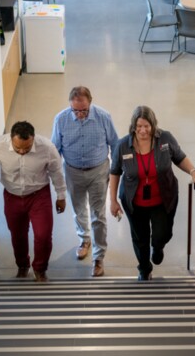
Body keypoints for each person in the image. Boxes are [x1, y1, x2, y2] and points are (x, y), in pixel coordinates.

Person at [109, 105, 195, 281]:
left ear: (153, 125)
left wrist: (192, 171)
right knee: (140, 238)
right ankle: (144, 270)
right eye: (139, 127)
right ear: (133, 126)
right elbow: (114, 172)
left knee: (163, 234)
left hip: (162, 199)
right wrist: (112, 201)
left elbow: (180, 157)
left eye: (147, 126)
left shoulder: (165, 139)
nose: (143, 130)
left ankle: (158, 247)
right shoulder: (123, 146)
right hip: (134, 202)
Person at [0, 121, 66, 282]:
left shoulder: (46, 147)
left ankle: (40, 269)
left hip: (39, 195)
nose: (22, 151)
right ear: (11, 138)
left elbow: (57, 172)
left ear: (33, 139)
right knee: (17, 235)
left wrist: (61, 196)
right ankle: (22, 266)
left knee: (43, 235)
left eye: (27, 147)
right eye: (18, 148)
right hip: (12, 196)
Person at [51, 86, 118, 277]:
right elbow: (55, 150)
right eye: (76, 110)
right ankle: (84, 240)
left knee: (98, 214)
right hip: (72, 172)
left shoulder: (104, 117)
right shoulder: (61, 119)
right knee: (79, 210)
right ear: (70, 106)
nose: (80, 114)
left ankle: (98, 257)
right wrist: (58, 185)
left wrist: (114, 174)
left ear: (90, 103)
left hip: (98, 171)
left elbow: (115, 144)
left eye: (84, 110)